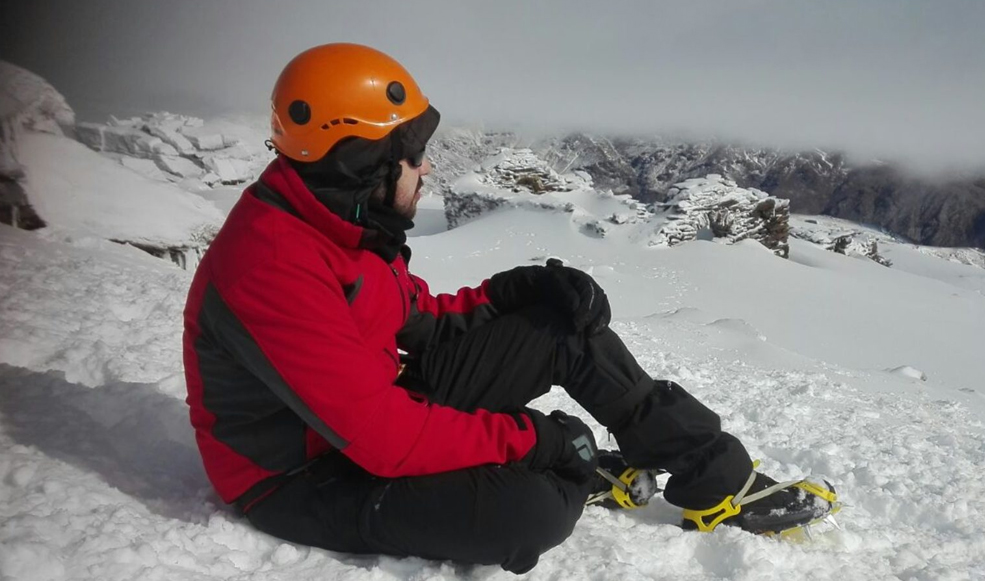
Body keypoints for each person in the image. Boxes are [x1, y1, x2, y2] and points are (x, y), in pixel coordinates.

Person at [182, 43, 836, 574]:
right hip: (300, 476)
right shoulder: (271, 267)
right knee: (529, 515)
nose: (427, 169)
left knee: (562, 328)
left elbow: (419, 320)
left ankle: (715, 476)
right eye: (412, 155)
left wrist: (513, 292)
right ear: (363, 163)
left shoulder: (341, 223)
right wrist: (536, 436)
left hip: (364, 416)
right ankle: (572, 464)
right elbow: (386, 440)